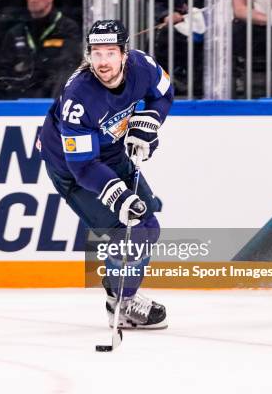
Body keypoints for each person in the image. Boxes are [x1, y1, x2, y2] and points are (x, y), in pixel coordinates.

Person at [38, 20, 174, 329]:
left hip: (110, 152)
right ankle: (121, 303)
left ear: (125, 54)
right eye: (95, 53)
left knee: (148, 226)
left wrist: (149, 122)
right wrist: (118, 196)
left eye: (110, 53)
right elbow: (82, 165)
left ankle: (120, 290)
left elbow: (164, 95)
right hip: (71, 166)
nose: (102, 62)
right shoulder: (78, 97)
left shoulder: (145, 66)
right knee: (130, 228)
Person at [0, 0, 82, 99]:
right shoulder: (16, 33)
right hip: (18, 104)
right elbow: (3, 73)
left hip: (53, 102)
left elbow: (67, 68)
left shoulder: (67, 29)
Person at [153, 0, 205, 97]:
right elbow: (158, 3)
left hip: (207, 25)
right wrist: (166, 15)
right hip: (176, 25)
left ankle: (198, 88)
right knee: (162, 38)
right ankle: (168, 84)